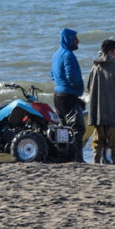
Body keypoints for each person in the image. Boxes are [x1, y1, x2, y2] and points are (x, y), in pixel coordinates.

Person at [86, 40, 115, 164]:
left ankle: (95, 162)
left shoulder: (94, 69)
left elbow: (89, 87)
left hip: (98, 112)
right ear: (110, 52)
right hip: (114, 111)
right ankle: (114, 162)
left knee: (97, 141)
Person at [50, 28, 85, 162]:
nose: (78, 41)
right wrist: (78, 86)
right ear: (69, 40)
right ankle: (77, 158)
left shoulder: (56, 55)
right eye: (76, 39)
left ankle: (65, 157)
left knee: (63, 128)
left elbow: (52, 75)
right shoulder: (68, 55)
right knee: (77, 128)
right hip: (68, 96)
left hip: (58, 95)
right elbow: (71, 76)